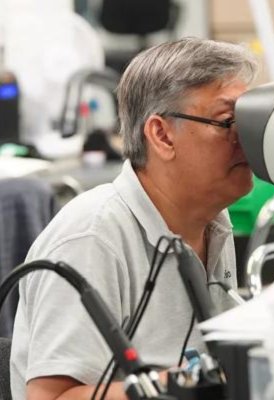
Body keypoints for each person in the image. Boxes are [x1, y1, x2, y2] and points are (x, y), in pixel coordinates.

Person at [10, 37, 259, 400]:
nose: (245, 138)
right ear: (161, 135)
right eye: (228, 122)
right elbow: (51, 398)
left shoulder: (212, 223)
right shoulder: (92, 237)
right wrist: (180, 385)